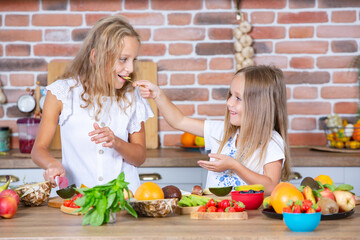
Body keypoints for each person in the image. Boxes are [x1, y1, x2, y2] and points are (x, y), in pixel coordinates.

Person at [31, 15, 153, 193]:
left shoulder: (132, 95)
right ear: (96, 56)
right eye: (123, 59)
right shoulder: (61, 92)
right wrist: (52, 164)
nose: (131, 69)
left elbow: (139, 157)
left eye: (133, 60)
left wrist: (116, 142)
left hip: (126, 200)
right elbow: (38, 149)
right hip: (78, 199)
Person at [135, 65, 291, 194]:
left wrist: (234, 165)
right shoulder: (221, 131)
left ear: (260, 105)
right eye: (230, 95)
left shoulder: (271, 142)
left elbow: (271, 186)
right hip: (214, 215)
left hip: (250, 221)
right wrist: (158, 95)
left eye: (238, 98)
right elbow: (179, 121)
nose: (229, 102)